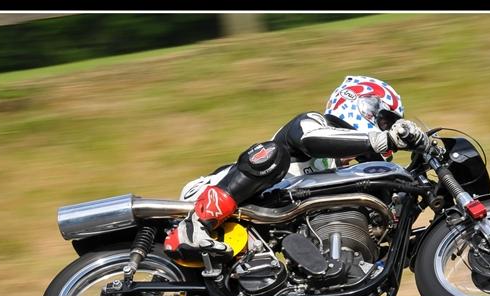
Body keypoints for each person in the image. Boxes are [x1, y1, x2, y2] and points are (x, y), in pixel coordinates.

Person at [164, 75, 430, 261]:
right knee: (272, 155)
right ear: (362, 105)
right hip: (216, 196)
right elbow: (310, 140)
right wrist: (382, 138)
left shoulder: (348, 170)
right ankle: (193, 227)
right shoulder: (313, 122)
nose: (385, 129)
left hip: (262, 229)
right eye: (384, 120)